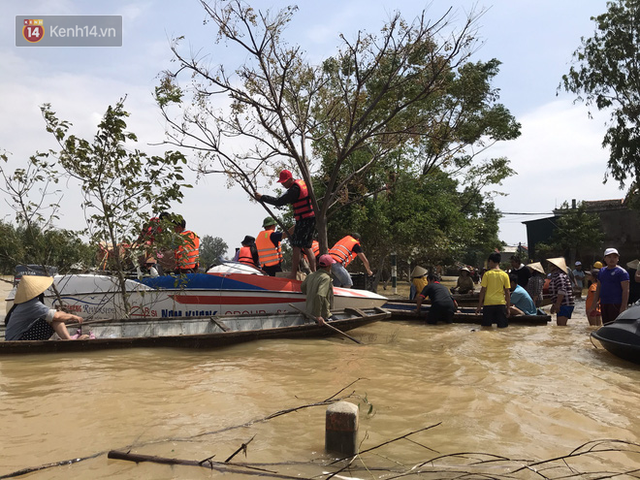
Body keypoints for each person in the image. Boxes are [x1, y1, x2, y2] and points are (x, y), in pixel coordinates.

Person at [255, 170, 316, 278]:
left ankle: (293, 274)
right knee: (307, 246)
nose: (283, 184)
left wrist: (262, 197)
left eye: (284, 182)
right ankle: (314, 272)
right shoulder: (300, 183)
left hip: (304, 219)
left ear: (290, 179)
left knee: (296, 246)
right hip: (310, 218)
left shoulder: (294, 189)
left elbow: (279, 201)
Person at [4, 276, 86, 341]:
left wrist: (64, 314)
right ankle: (69, 342)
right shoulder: (32, 304)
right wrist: (73, 316)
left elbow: (54, 313)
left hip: (17, 337)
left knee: (53, 317)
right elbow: (56, 316)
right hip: (18, 340)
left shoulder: (26, 303)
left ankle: (68, 340)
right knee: (53, 319)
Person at [588, 248, 630, 324]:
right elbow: (599, 288)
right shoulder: (602, 271)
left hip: (616, 303)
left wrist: (623, 307)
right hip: (604, 303)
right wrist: (594, 304)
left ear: (618, 259)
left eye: (614, 257)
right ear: (605, 259)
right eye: (609, 257)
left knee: (615, 326)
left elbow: (626, 290)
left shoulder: (622, 272)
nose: (612, 259)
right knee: (606, 325)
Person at [476, 252, 511, 328]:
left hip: (488, 304)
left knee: (486, 328)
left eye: (489, 262)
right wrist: (508, 308)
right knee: (502, 328)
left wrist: (479, 306)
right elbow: (507, 292)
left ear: (491, 261)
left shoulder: (487, 274)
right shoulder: (505, 275)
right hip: (500, 304)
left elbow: (482, 291)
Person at [300, 254, 336, 325]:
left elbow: (303, 288)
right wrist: (318, 316)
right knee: (337, 322)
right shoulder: (326, 278)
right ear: (329, 266)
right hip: (322, 315)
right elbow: (320, 295)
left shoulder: (310, 275)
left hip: (309, 313)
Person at [547, 257, 575, 326]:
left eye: (550, 265)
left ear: (555, 267)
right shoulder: (557, 276)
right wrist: (554, 305)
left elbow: (561, 291)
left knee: (561, 326)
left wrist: (557, 305)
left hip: (564, 304)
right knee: (560, 327)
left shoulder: (559, 276)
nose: (549, 267)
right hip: (563, 303)